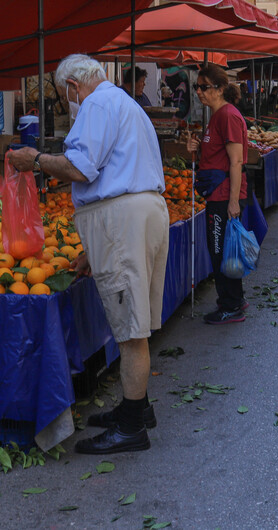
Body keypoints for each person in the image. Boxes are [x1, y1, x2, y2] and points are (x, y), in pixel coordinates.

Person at [9, 54, 169, 454]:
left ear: (72, 87)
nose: (67, 103)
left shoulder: (96, 103)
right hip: (143, 212)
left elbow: (80, 168)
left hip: (123, 219)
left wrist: (36, 161)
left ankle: (132, 427)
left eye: (65, 96)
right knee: (137, 317)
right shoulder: (125, 103)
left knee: (131, 329)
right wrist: (96, 252)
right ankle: (138, 408)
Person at [187, 64, 249, 326]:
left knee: (220, 251)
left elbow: (236, 162)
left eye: (204, 87)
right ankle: (234, 299)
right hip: (218, 195)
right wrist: (196, 149)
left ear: (220, 89)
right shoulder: (216, 116)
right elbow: (216, 157)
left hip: (224, 197)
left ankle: (231, 305)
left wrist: (233, 201)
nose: (199, 92)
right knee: (223, 251)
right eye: (197, 87)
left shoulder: (228, 116)